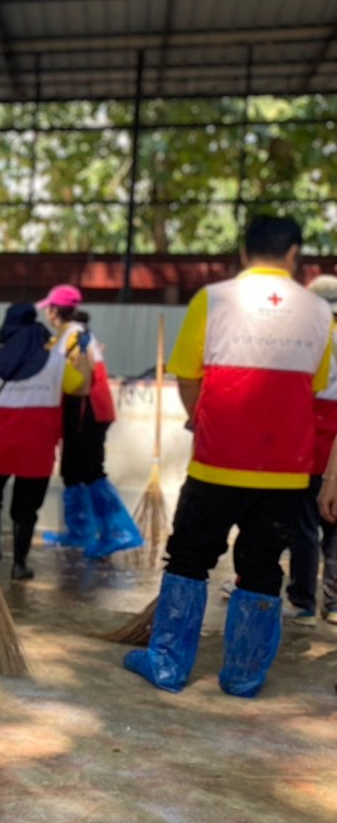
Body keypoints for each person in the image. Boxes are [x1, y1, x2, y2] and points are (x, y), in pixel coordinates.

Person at [125, 214, 332, 697]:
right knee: (262, 566)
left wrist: (200, 419)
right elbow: (316, 386)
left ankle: (167, 665)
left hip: (217, 461)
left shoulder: (213, 298)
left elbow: (187, 375)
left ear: (243, 252)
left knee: (189, 557)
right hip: (284, 471)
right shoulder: (319, 311)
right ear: (293, 255)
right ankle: (243, 677)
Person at [0, 303, 89, 579]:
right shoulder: (56, 363)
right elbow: (81, 386)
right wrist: (84, 353)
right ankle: (19, 564)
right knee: (26, 507)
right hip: (37, 444)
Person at [39, 285, 142, 560]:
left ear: (54, 311)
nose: (46, 314)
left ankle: (116, 532)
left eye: (48, 309)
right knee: (72, 471)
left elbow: (82, 374)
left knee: (90, 471)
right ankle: (79, 532)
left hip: (88, 409)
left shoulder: (73, 334)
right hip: (79, 408)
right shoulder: (71, 333)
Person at [285, 274, 337, 625]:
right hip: (333, 447)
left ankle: (302, 600)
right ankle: (333, 604)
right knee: (334, 528)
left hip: (307, 443)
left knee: (303, 526)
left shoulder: (308, 337)